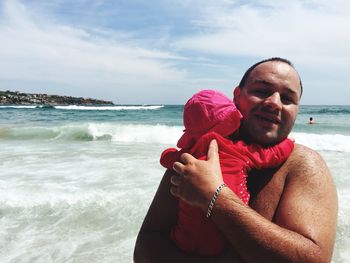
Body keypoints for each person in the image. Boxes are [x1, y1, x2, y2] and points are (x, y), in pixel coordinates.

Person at [134, 57, 338, 263]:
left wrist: (215, 197)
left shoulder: (303, 163)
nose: (274, 103)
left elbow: (314, 259)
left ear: (296, 111)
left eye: (287, 98)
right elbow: (145, 250)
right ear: (236, 96)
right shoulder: (196, 156)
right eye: (261, 91)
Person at [159, 89, 294, 256]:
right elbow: (270, 155)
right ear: (232, 125)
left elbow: (165, 158)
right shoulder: (238, 150)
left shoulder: (188, 156)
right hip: (222, 237)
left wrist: (171, 153)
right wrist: (289, 143)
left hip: (184, 238)